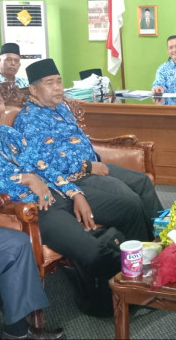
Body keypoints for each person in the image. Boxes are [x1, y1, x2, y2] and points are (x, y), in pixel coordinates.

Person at [13, 57, 162, 252]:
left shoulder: (61, 107)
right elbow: (44, 163)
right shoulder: (28, 120)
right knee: (130, 202)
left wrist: (93, 162)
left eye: (59, 81)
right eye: (50, 83)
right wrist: (87, 166)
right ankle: (141, 257)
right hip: (73, 178)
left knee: (142, 181)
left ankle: (163, 238)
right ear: (33, 90)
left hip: (92, 166)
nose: (58, 87)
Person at [0, 71, 62, 339]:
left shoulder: (7, 132)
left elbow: (35, 161)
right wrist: (22, 178)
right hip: (6, 208)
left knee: (16, 245)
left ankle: (16, 331)